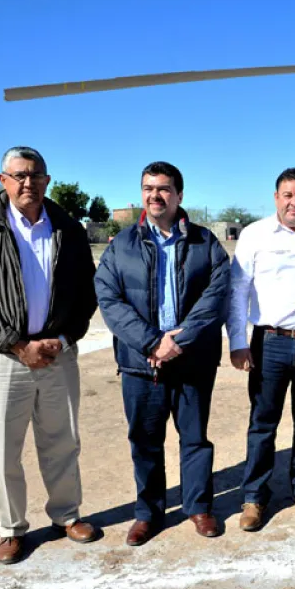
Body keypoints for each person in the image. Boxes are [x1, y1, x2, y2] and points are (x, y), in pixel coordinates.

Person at [95, 161, 229, 546]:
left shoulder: (206, 243)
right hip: (142, 364)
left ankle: (199, 507)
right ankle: (148, 513)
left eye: (164, 188)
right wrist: (152, 342)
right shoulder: (121, 245)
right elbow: (110, 298)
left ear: (179, 195)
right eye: (148, 188)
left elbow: (216, 297)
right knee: (145, 441)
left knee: (195, 439)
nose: (155, 195)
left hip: (193, 361)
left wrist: (178, 341)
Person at [0, 147, 99, 565]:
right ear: (3, 180)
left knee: (62, 441)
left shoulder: (67, 229)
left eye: (35, 175)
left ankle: (67, 516)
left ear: (47, 179)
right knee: (2, 448)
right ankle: (12, 529)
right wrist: (17, 344)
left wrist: (66, 339)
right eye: (18, 175)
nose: (27, 183)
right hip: (4, 357)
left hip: (57, 354)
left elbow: (86, 294)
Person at [228, 168, 295, 532]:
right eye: (288, 195)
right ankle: (254, 496)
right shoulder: (254, 235)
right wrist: (238, 342)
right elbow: (237, 291)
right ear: (276, 197)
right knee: (263, 423)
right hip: (269, 342)